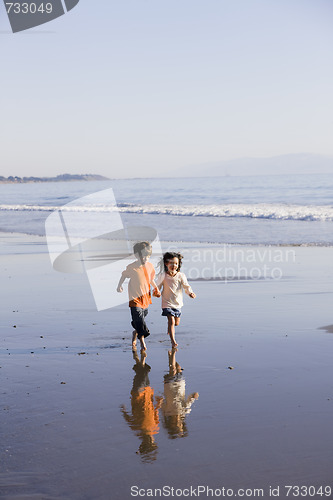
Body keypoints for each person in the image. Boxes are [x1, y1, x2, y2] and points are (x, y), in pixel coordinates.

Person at [117, 241, 160, 351]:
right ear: (136, 255)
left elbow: (151, 279)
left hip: (145, 298)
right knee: (139, 319)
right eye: (142, 256)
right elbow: (123, 276)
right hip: (134, 298)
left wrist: (156, 288)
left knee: (140, 319)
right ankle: (142, 342)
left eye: (147, 256)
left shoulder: (150, 266)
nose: (145, 258)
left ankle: (135, 332)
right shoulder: (132, 267)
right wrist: (119, 285)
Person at [155, 252, 196, 348]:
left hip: (177, 304)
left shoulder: (181, 275)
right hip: (167, 303)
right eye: (171, 263)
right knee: (172, 321)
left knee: (176, 323)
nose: (174, 265)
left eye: (176, 264)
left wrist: (190, 293)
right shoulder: (163, 276)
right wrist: (156, 293)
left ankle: (170, 327)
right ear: (166, 264)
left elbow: (186, 286)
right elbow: (157, 287)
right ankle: (173, 341)